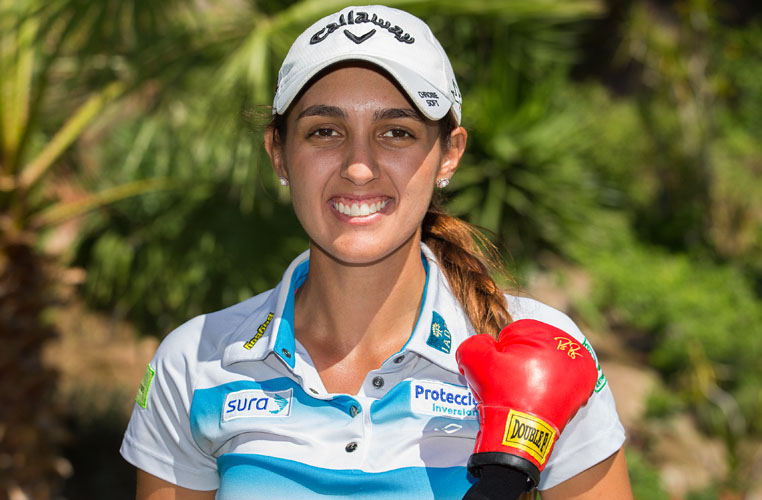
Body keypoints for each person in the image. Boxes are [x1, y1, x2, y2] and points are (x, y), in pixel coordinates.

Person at [120, 5, 634, 499]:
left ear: (449, 154)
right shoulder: (194, 362)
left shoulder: (548, 349)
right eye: (325, 131)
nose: (359, 167)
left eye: (396, 132)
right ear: (278, 153)